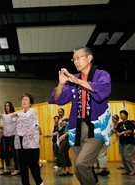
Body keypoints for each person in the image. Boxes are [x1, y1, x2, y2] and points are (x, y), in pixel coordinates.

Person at [48, 46, 112, 185]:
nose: (76, 62)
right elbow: (58, 99)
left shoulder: (102, 75)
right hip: (76, 127)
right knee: (78, 169)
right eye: (74, 59)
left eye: (79, 58)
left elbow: (103, 91)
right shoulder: (73, 78)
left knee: (82, 164)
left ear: (89, 58)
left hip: (96, 127)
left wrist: (79, 82)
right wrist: (61, 83)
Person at [11, 93, 43, 185]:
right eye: (23, 100)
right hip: (21, 143)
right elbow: (11, 121)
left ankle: (39, 182)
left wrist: (16, 115)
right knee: (23, 167)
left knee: (33, 166)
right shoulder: (19, 112)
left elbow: (25, 118)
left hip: (31, 144)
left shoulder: (33, 112)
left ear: (30, 103)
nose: (24, 101)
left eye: (26, 100)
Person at [0, 101, 20, 176]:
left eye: (8, 106)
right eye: (5, 106)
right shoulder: (3, 116)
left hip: (13, 136)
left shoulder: (14, 115)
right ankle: (7, 168)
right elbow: (3, 126)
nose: (6, 107)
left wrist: (1, 115)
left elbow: (13, 121)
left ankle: (17, 169)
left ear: (11, 106)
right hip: (5, 136)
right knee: (5, 152)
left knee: (14, 153)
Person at [115, 110, 135, 175]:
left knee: (127, 156)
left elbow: (130, 131)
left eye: (122, 114)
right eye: (120, 115)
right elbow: (116, 130)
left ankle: (132, 170)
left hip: (129, 142)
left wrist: (122, 133)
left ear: (126, 115)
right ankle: (128, 170)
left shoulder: (129, 123)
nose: (121, 116)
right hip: (122, 142)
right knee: (123, 156)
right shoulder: (120, 124)